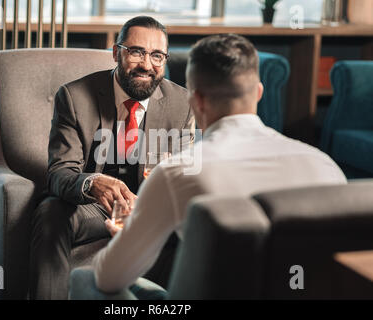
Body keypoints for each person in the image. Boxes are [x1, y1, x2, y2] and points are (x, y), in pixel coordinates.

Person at [69, 34, 347, 299]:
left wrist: (127, 238)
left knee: (86, 279)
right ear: (259, 92)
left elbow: (109, 278)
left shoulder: (178, 173)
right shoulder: (325, 165)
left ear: (196, 100)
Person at [29, 16, 195, 299]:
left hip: (149, 208)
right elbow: (59, 173)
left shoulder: (183, 104)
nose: (146, 64)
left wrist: (152, 206)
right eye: (136, 52)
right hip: (91, 208)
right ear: (116, 52)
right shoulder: (73, 96)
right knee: (51, 213)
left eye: (157, 55)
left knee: (196, 220)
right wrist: (92, 182)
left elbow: (188, 178)